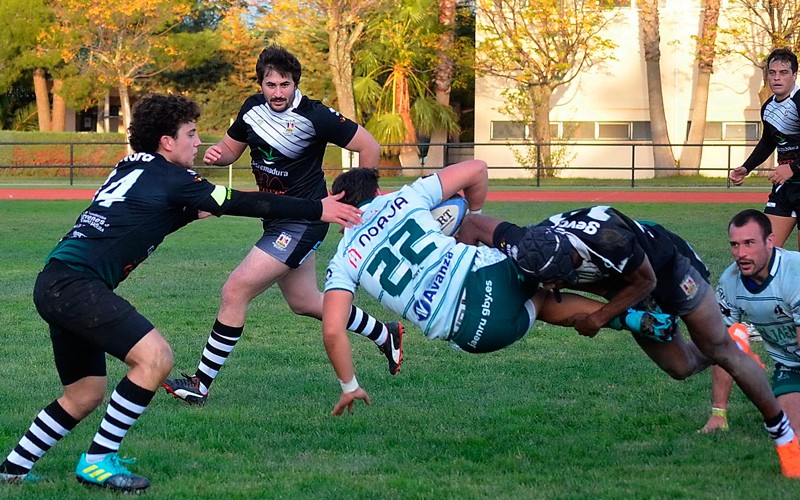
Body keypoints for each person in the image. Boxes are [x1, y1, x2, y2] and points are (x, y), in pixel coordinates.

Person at [0, 94, 362, 491]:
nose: (198, 143)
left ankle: (14, 467)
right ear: (166, 142)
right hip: (76, 286)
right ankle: (98, 461)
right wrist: (316, 209)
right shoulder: (173, 178)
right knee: (156, 358)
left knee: (85, 393)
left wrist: (194, 208)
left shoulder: (131, 167)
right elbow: (237, 200)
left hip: (55, 281)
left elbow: (150, 210)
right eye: (191, 134)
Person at [455, 206, 800, 478]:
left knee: (716, 348)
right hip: (617, 282)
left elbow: (646, 281)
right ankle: (704, 335)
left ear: (569, 261)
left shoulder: (609, 240)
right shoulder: (523, 239)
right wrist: (460, 277)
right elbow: (471, 226)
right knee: (681, 367)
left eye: (555, 279)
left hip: (666, 268)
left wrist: (600, 319)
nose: (550, 285)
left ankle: (781, 433)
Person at [321, 161, 673, 416]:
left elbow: (334, 329)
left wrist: (350, 387)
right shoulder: (404, 197)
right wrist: (471, 212)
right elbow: (477, 168)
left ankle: (624, 319)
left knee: (543, 304)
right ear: (378, 192)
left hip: (478, 337)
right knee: (493, 235)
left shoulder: (342, 259)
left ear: (337, 204)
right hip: (493, 278)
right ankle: (617, 296)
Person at [162, 45, 402, 405]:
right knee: (304, 301)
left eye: (284, 84)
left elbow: (369, 146)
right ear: (261, 84)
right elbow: (231, 150)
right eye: (270, 84)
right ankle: (386, 333)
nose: (277, 92)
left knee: (235, 291)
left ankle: (201, 383)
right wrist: (216, 155)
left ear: (295, 84)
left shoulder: (316, 115)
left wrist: (359, 203)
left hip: (305, 219)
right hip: (276, 216)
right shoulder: (251, 108)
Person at [700, 210, 800, 437]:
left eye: (749, 243)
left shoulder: (795, 273)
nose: (741, 253)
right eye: (735, 245)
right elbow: (722, 348)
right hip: (791, 368)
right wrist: (718, 413)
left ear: (770, 242)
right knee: (792, 432)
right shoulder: (730, 282)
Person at [729, 48, 800, 249]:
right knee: (765, 251)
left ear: (794, 75)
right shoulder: (768, 107)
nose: (777, 78)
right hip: (785, 187)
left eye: (784, 73)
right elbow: (768, 141)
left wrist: (792, 168)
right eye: (772, 72)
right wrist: (746, 167)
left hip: (792, 174)